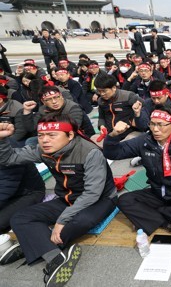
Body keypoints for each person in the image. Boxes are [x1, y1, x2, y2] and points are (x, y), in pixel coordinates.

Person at [0, 114, 117, 286]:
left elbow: (92, 193)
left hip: (101, 199)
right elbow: (9, 159)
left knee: (76, 223)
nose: (45, 140)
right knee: (19, 218)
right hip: (66, 198)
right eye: (41, 136)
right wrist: (2, 140)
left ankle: (34, 243)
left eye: (52, 135)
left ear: (70, 135)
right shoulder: (43, 150)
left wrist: (62, 220)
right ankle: (56, 257)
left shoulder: (90, 152)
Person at [103, 106, 171, 240]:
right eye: (152, 124)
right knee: (124, 200)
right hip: (157, 193)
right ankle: (168, 224)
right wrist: (113, 135)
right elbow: (113, 153)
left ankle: (148, 218)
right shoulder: (145, 141)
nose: (155, 129)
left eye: (161, 125)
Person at [22, 86, 95, 140]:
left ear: (61, 96)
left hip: (78, 136)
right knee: (30, 141)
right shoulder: (42, 109)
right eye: (49, 99)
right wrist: (27, 111)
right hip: (53, 137)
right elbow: (31, 128)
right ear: (43, 102)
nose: (54, 102)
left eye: (56, 97)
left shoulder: (73, 108)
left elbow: (72, 130)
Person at [94, 74, 144, 142]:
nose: (102, 94)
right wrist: (102, 126)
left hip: (129, 132)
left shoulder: (128, 96)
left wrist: (136, 119)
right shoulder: (100, 101)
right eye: (99, 91)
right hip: (111, 133)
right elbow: (101, 116)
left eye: (104, 91)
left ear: (114, 88)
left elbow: (146, 107)